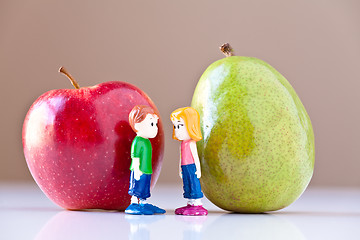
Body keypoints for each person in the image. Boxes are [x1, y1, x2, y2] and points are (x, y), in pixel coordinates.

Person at [125, 105, 165, 215]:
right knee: (136, 187)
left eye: (155, 124)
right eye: (151, 124)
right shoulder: (138, 141)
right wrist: (137, 171)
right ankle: (134, 203)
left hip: (146, 169)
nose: (155, 128)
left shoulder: (147, 142)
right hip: (139, 170)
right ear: (137, 124)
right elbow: (136, 157)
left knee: (144, 188)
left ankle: (143, 203)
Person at [170, 107, 208, 216]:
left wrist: (198, 170)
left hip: (192, 166)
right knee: (187, 184)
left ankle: (197, 203)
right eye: (175, 126)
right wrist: (180, 169)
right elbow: (181, 157)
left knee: (194, 183)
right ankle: (190, 202)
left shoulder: (191, 144)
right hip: (185, 167)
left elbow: (195, 157)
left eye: (180, 125)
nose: (177, 129)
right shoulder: (182, 144)